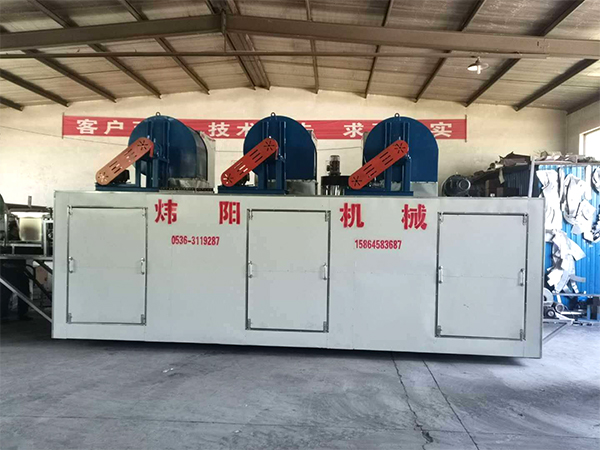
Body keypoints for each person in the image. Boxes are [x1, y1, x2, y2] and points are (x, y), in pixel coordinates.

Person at [0, 195, 30, 322]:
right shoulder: (7, 240)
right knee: (4, 292)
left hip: (18, 269)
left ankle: (22, 313)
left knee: (24, 291)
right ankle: (3, 315)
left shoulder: (20, 240)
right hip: (7, 269)